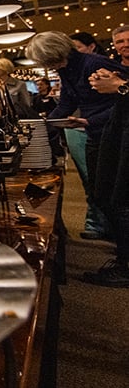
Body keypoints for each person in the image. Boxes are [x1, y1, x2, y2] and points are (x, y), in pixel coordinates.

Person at [25, 31, 126, 240]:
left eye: (51, 61)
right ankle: (116, 240)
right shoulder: (66, 69)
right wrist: (44, 126)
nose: (51, 66)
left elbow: (124, 99)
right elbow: (67, 102)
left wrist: (90, 121)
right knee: (99, 191)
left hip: (116, 134)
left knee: (114, 195)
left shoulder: (93, 63)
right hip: (96, 133)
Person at [83, 66, 129, 287]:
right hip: (119, 126)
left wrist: (120, 86)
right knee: (105, 195)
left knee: (121, 201)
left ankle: (125, 267)